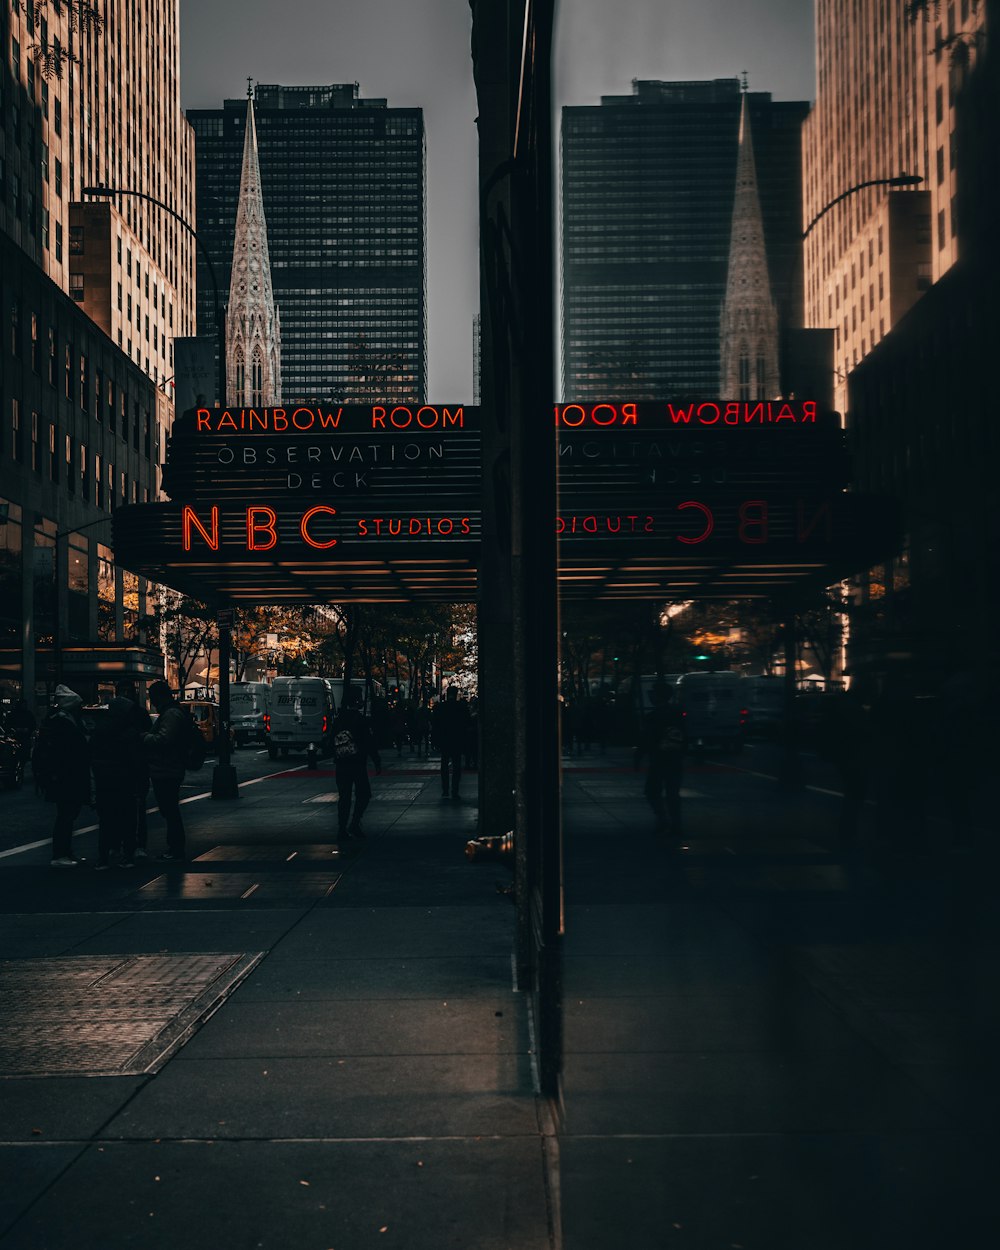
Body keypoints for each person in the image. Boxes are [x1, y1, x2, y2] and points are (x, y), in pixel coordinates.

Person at [31, 684, 91, 866]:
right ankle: (60, 853)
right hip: (66, 775)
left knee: (68, 814)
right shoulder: (64, 723)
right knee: (66, 815)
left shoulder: (61, 720)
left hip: (64, 775)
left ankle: (65, 851)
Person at [90, 697, 144, 868]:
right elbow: (136, 759)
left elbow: (92, 754)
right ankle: (128, 855)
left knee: (106, 820)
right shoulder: (130, 732)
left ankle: (103, 857)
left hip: (105, 781)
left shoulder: (100, 730)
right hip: (125, 780)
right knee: (127, 819)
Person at [142, 680, 189, 862]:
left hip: (167, 768)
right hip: (169, 767)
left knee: (169, 810)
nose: (152, 702)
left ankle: (175, 847)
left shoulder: (170, 714)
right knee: (169, 809)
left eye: (153, 698)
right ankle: (175, 847)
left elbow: (163, 739)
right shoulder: (173, 712)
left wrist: (145, 737)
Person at [634, 680, 685, 838]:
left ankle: (663, 819)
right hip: (675, 758)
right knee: (672, 792)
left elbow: (646, 739)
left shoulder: (653, 716)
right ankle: (676, 823)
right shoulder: (677, 713)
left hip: (658, 758)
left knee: (652, 790)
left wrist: (639, 756)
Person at [332, 686, 381, 840]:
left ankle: (342, 828)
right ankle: (354, 823)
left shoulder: (339, 719)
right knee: (364, 794)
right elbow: (369, 742)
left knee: (344, 797)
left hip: (341, 763)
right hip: (357, 763)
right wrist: (376, 760)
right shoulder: (361, 720)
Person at [118, 681, 153, 858]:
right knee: (136, 807)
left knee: (132, 807)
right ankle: (135, 844)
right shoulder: (138, 713)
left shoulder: (115, 714)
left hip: (131, 766)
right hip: (134, 765)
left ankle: (130, 843)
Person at [433, 685, 471, 799]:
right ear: (456, 694)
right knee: (456, 766)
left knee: (444, 765)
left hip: (445, 739)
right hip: (457, 739)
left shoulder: (440, 707)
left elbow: (436, 725)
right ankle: (455, 790)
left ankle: (445, 790)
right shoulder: (461, 707)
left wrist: (436, 739)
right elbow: (466, 723)